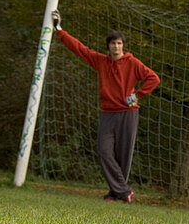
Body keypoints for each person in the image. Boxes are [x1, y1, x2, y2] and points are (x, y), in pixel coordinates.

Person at [51, 10, 160, 203]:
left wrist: (137, 95)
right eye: (113, 43)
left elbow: (153, 78)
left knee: (123, 156)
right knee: (104, 151)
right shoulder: (101, 61)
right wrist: (59, 29)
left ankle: (116, 194)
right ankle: (124, 191)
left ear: (123, 46)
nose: (116, 47)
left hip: (128, 113)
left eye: (119, 44)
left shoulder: (133, 63)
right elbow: (79, 48)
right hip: (108, 114)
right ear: (108, 47)